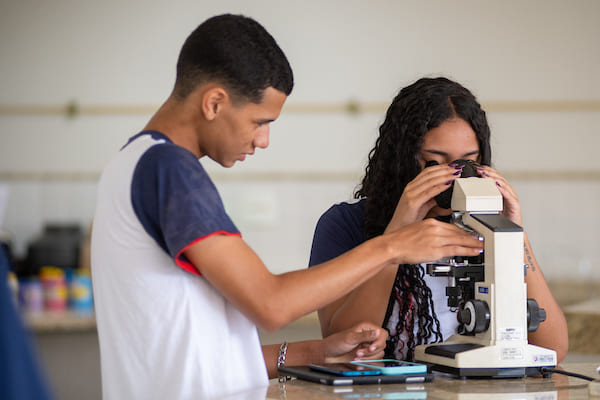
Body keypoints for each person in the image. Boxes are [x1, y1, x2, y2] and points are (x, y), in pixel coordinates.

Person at [91, 16, 483, 399]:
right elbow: (271, 305)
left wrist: (315, 353)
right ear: (213, 102)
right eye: (259, 121)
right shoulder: (169, 169)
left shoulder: (128, 164)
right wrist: (393, 245)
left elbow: (191, 349)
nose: (262, 140)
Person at [309, 77, 568, 363]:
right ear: (403, 159)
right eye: (434, 163)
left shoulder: (482, 229)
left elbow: (553, 349)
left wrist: (512, 234)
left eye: (468, 162)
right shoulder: (344, 224)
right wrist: (397, 233)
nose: (453, 177)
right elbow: (344, 342)